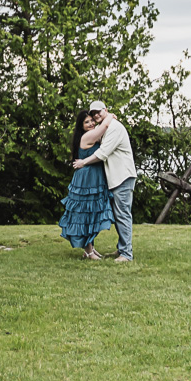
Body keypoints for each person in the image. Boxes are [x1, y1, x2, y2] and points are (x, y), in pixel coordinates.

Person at [73, 100, 137, 262]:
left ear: (105, 110)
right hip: (115, 178)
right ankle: (122, 248)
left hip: (122, 176)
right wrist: (107, 120)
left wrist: (83, 162)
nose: (95, 116)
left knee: (122, 215)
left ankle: (126, 254)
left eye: (98, 112)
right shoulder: (106, 127)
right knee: (118, 214)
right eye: (93, 114)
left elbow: (103, 153)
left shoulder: (113, 128)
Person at [59, 110, 115, 259]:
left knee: (91, 213)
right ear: (81, 126)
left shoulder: (90, 135)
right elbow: (104, 127)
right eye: (86, 122)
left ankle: (90, 249)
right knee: (85, 213)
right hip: (87, 180)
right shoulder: (87, 136)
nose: (91, 123)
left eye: (92, 120)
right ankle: (89, 252)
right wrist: (109, 115)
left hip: (93, 178)